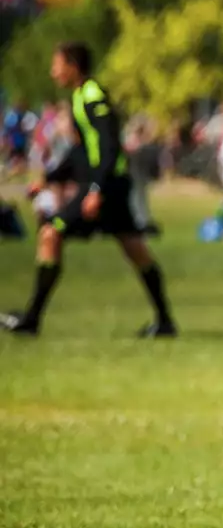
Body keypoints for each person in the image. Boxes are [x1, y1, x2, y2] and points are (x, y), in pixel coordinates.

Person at [4, 42, 176, 338]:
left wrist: (96, 189)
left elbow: (109, 145)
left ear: (72, 66)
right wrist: (49, 178)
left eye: (56, 65)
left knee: (50, 233)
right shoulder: (79, 97)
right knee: (134, 248)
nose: (52, 71)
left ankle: (32, 319)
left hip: (106, 186)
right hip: (110, 184)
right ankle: (165, 322)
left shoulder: (93, 95)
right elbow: (82, 151)